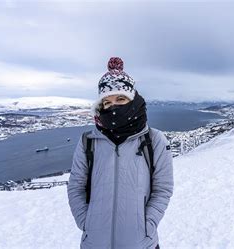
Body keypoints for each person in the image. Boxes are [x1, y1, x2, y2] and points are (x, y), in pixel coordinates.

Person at [67, 57, 174, 249]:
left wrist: (147, 226)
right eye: (107, 102)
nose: (114, 106)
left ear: (133, 99)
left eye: (121, 99)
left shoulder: (154, 140)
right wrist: (86, 223)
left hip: (141, 243)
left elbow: (162, 189)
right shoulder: (88, 142)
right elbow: (76, 186)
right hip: (94, 243)